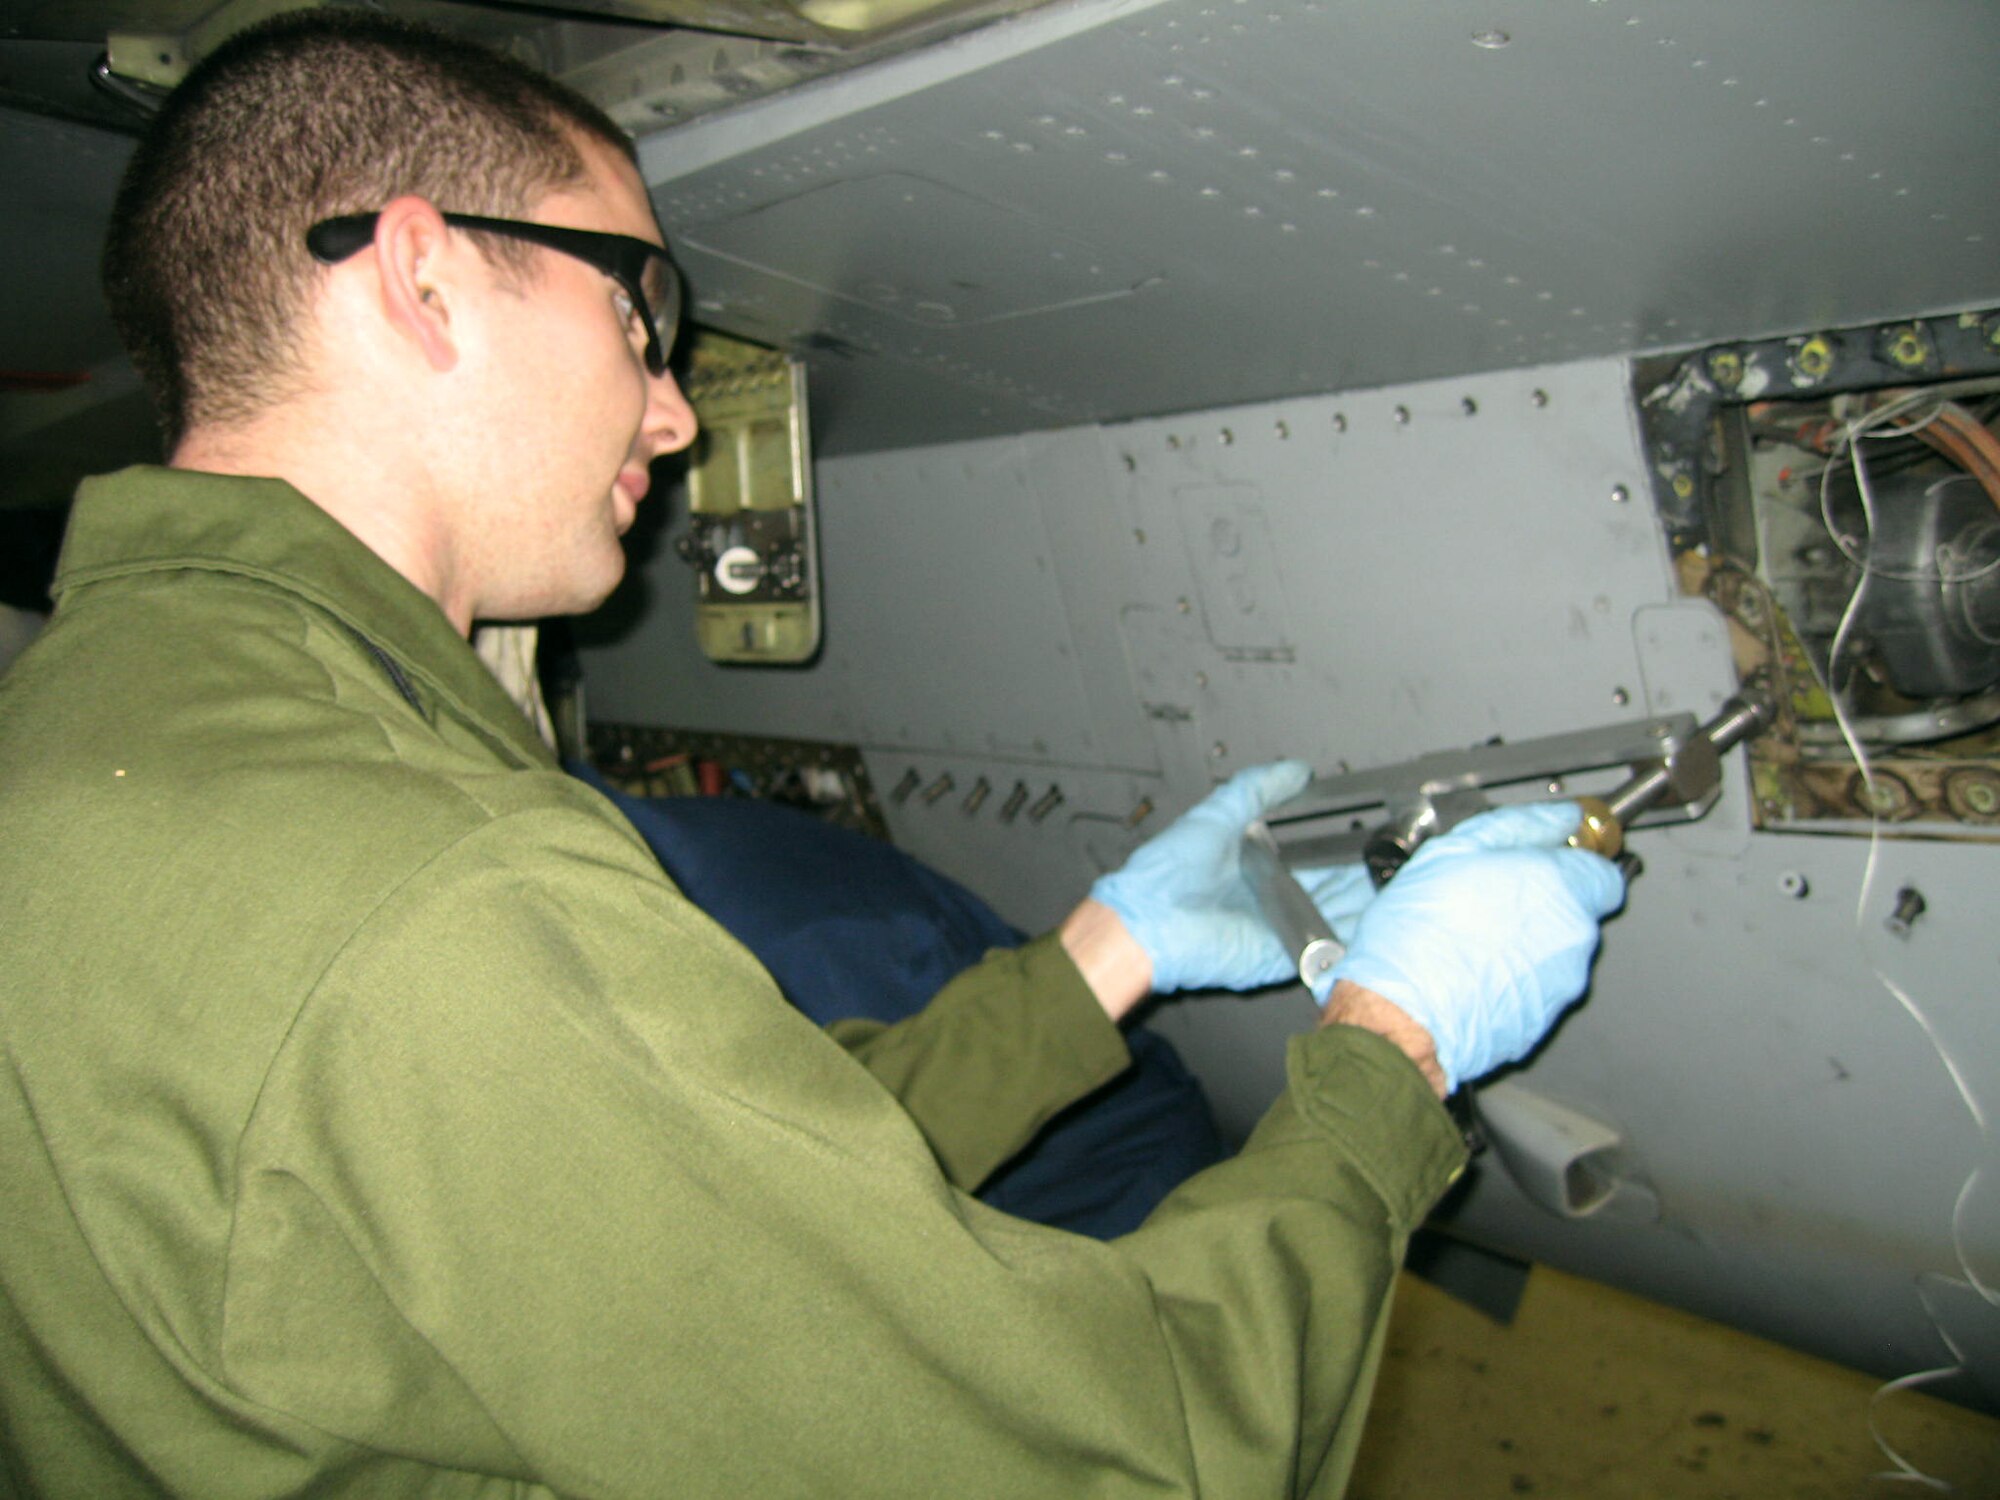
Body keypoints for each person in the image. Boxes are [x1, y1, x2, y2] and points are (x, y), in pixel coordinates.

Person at [0, 12, 1623, 1497]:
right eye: (641, 312)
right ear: (423, 281)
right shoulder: (434, 890)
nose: (676, 415)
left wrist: (1097, 958)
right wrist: (1388, 1057)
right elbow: (1124, 1455)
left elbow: (665, 1189)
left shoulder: (99, 725)